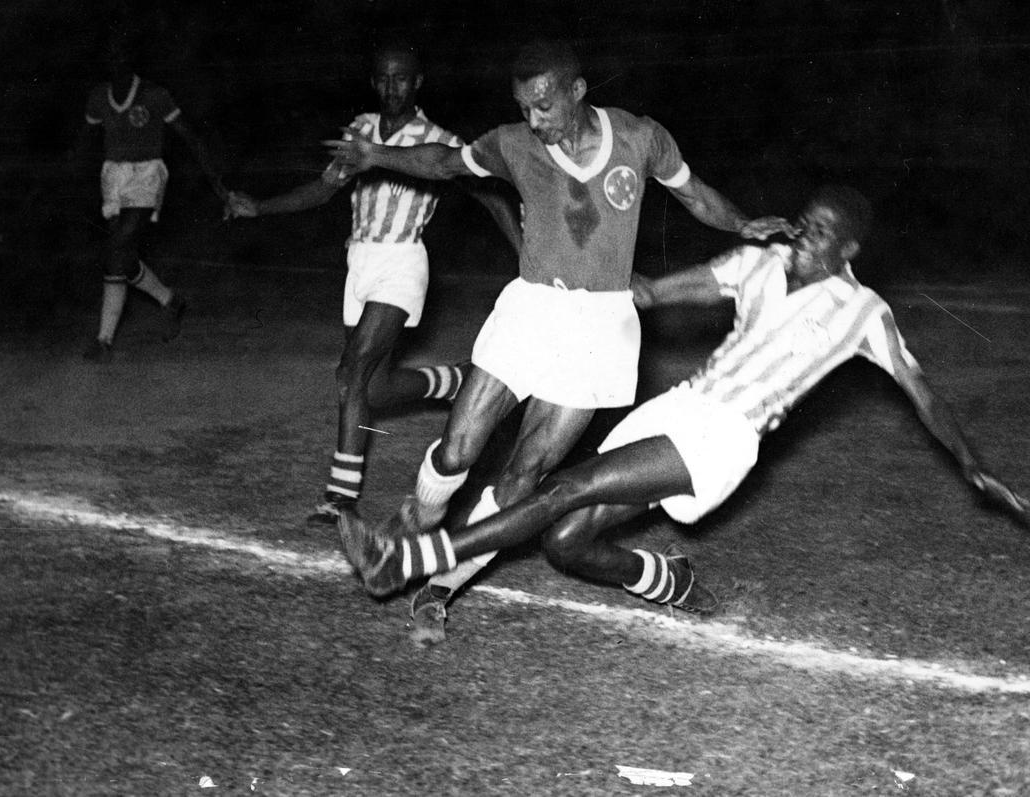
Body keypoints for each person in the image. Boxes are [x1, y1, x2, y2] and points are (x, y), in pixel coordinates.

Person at [338, 185, 1030, 615]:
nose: (802, 234)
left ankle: (413, 559)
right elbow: (648, 292)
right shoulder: (757, 263)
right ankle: (666, 580)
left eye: (819, 231)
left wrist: (971, 463)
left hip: (724, 437)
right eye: (802, 221)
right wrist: (575, 249)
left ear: (847, 247)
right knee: (564, 541)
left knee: (565, 487)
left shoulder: (864, 311)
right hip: (677, 408)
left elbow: (921, 390)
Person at [326, 38, 792, 643]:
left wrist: (742, 223)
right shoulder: (513, 144)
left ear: (577, 91)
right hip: (531, 308)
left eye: (544, 106)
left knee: (524, 475)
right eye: (523, 108)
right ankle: (416, 519)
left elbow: (694, 193)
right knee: (457, 450)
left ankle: (438, 588)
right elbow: (444, 162)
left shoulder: (640, 137)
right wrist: (375, 154)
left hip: (602, 328)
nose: (534, 120)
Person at [225, 41, 522, 525]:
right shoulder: (360, 130)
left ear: (417, 82)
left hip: (402, 262)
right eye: (383, 78)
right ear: (373, 81)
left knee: (350, 371)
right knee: (373, 390)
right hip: (359, 262)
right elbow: (324, 189)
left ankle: (340, 496)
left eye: (401, 78)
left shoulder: (437, 138)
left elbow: (489, 194)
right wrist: (258, 207)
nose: (391, 87)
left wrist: (525, 254)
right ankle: (456, 379)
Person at [76, 30, 229, 363]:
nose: (117, 62)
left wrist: (216, 182)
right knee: (122, 256)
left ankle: (103, 341)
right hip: (113, 177)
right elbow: (86, 141)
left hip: (146, 175)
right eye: (111, 55)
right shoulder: (98, 96)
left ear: (133, 59)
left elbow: (190, 137)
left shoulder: (154, 95)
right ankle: (170, 300)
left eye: (122, 55)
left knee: (118, 247)